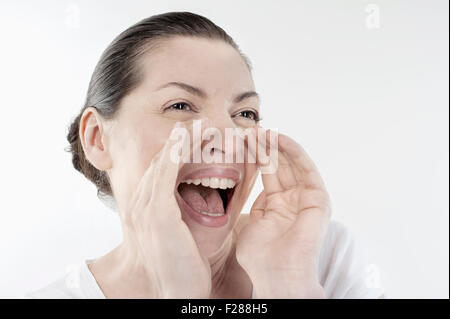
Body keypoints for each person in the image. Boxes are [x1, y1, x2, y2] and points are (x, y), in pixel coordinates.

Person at [26, 11, 385, 299]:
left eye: (245, 114)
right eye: (180, 105)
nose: (228, 137)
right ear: (98, 139)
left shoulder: (321, 256)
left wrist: (288, 285)